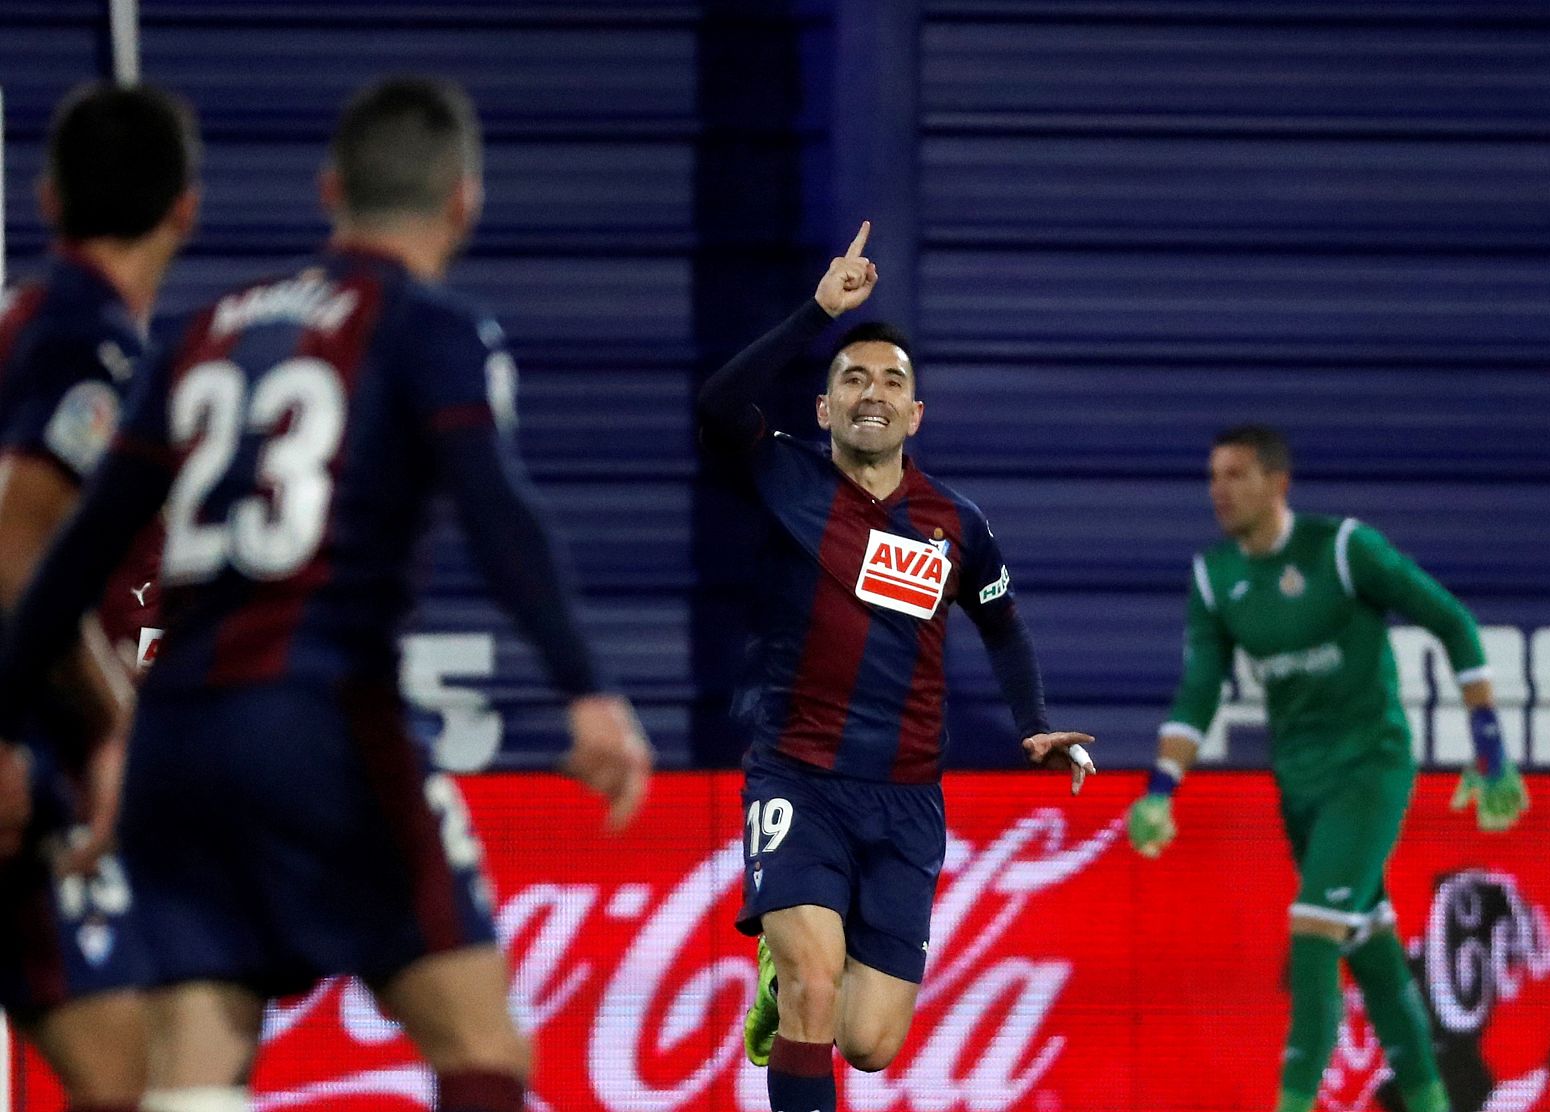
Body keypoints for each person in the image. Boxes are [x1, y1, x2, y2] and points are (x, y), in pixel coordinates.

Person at [0, 76, 652, 1112]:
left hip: (173, 738)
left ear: (329, 188)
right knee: (480, 1041)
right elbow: (498, 508)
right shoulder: (429, 325)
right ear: (463, 204)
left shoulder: (204, 328)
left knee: (195, 1067)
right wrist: (587, 687)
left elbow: (78, 549)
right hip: (324, 719)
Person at [697, 222, 1095, 1112]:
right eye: (852, 379)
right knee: (813, 978)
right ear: (824, 409)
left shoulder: (956, 524)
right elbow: (718, 407)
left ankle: (785, 982)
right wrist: (816, 313)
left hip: (907, 797)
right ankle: (791, 968)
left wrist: (1033, 721)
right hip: (796, 778)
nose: (871, 391)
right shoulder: (783, 477)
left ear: (915, 416)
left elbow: (1002, 626)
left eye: (891, 381)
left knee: (868, 1042)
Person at [1125, 424, 1529, 1112]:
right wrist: (1161, 790)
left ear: (1278, 484)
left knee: (1312, 935)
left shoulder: (1343, 549)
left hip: (1369, 771)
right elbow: (1199, 693)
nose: (1220, 489)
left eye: (1238, 474)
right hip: (1300, 785)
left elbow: (1452, 622)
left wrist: (1489, 746)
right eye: (1213, 475)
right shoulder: (1215, 578)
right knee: (1372, 951)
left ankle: (1295, 1100)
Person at [0, 81, 199, 1112]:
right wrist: (115, 723)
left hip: (34, 779)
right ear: (185, 208)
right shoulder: (86, 341)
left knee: (125, 1070)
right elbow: (14, 551)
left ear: (45, 198)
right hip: (20, 761)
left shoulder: (36, 324)